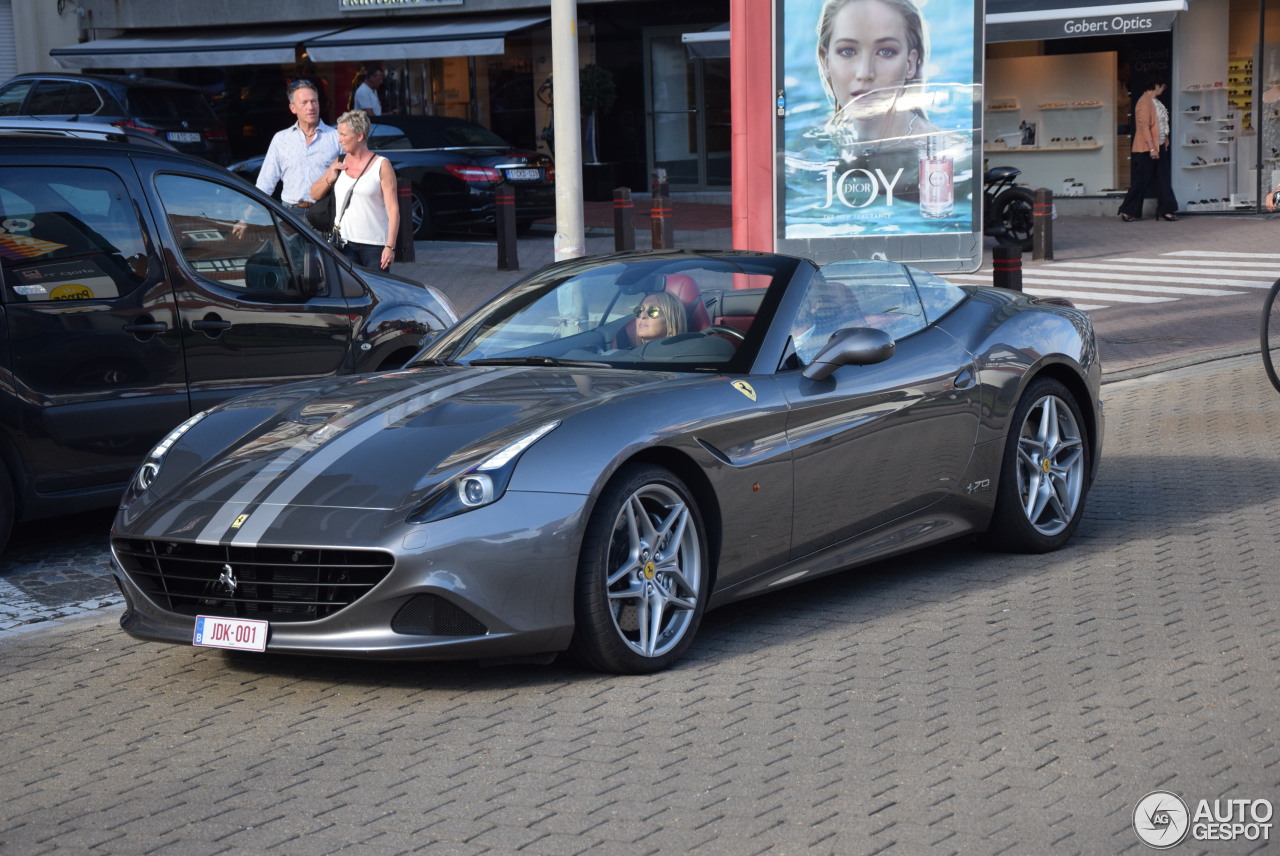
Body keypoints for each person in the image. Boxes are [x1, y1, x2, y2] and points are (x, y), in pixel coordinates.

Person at [816, 0, 937, 148]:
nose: (865, 73)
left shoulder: (945, 154)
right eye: (847, 51)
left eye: (886, 52)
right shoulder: (812, 143)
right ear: (825, 62)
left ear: (910, 64)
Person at [310, 110, 400, 271]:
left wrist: (390, 246)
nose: (340, 139)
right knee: (349, 294)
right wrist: (330, 178)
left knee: (377, 292)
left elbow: (393, 210)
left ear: (359, 136)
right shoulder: (339, 161)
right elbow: (314, 194)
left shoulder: (382, 165)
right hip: (344, 244)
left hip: (375, 246)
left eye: (344, 135)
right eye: (339, 134)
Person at [246, 80, 342, 225]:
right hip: (289, 214)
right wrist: (245, 219)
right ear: (293, 108)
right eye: (304, 102)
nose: (311, 107)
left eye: (314, 101)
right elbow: (266, 182)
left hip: (324, 212)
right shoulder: (281, 139)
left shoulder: (336, 137)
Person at [1118, 79, 1179, 222]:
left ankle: (1166, 210)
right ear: (1157, 85)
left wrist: (1164, 143)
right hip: (1147, 149)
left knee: (1163, 179)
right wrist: (1152, 148)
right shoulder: (1144, 101)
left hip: (1159, 146)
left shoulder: (1155, 102)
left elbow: (1162, 124)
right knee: (1141, 181)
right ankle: (1128, 210)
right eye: (1163, 87)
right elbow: (1144, 127)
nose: (1163, 90)